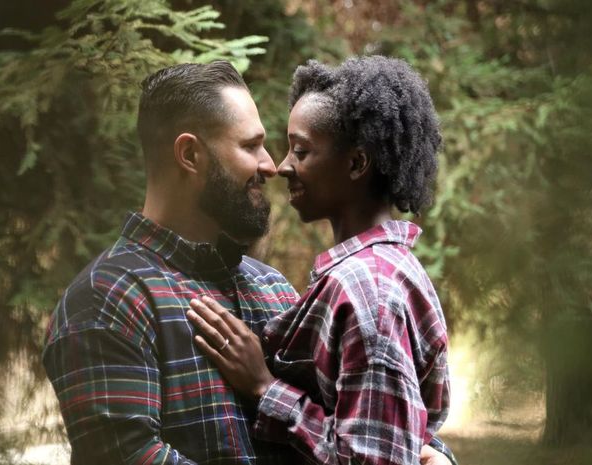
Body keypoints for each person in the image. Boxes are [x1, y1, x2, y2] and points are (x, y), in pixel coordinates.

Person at [42, 60, 454, 464]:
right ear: (189, 154)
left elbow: (370, 425)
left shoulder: (271, 288)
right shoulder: (105, 300)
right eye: (250, 146)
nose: (271, 166)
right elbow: (128, 456)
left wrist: (437, 456)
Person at [187, 56, 455, 465]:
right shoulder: (384, 271)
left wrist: (264, 386)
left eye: (301, 151)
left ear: (356, 163)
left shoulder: (369, 291)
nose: (281, 167)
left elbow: (373, 460)